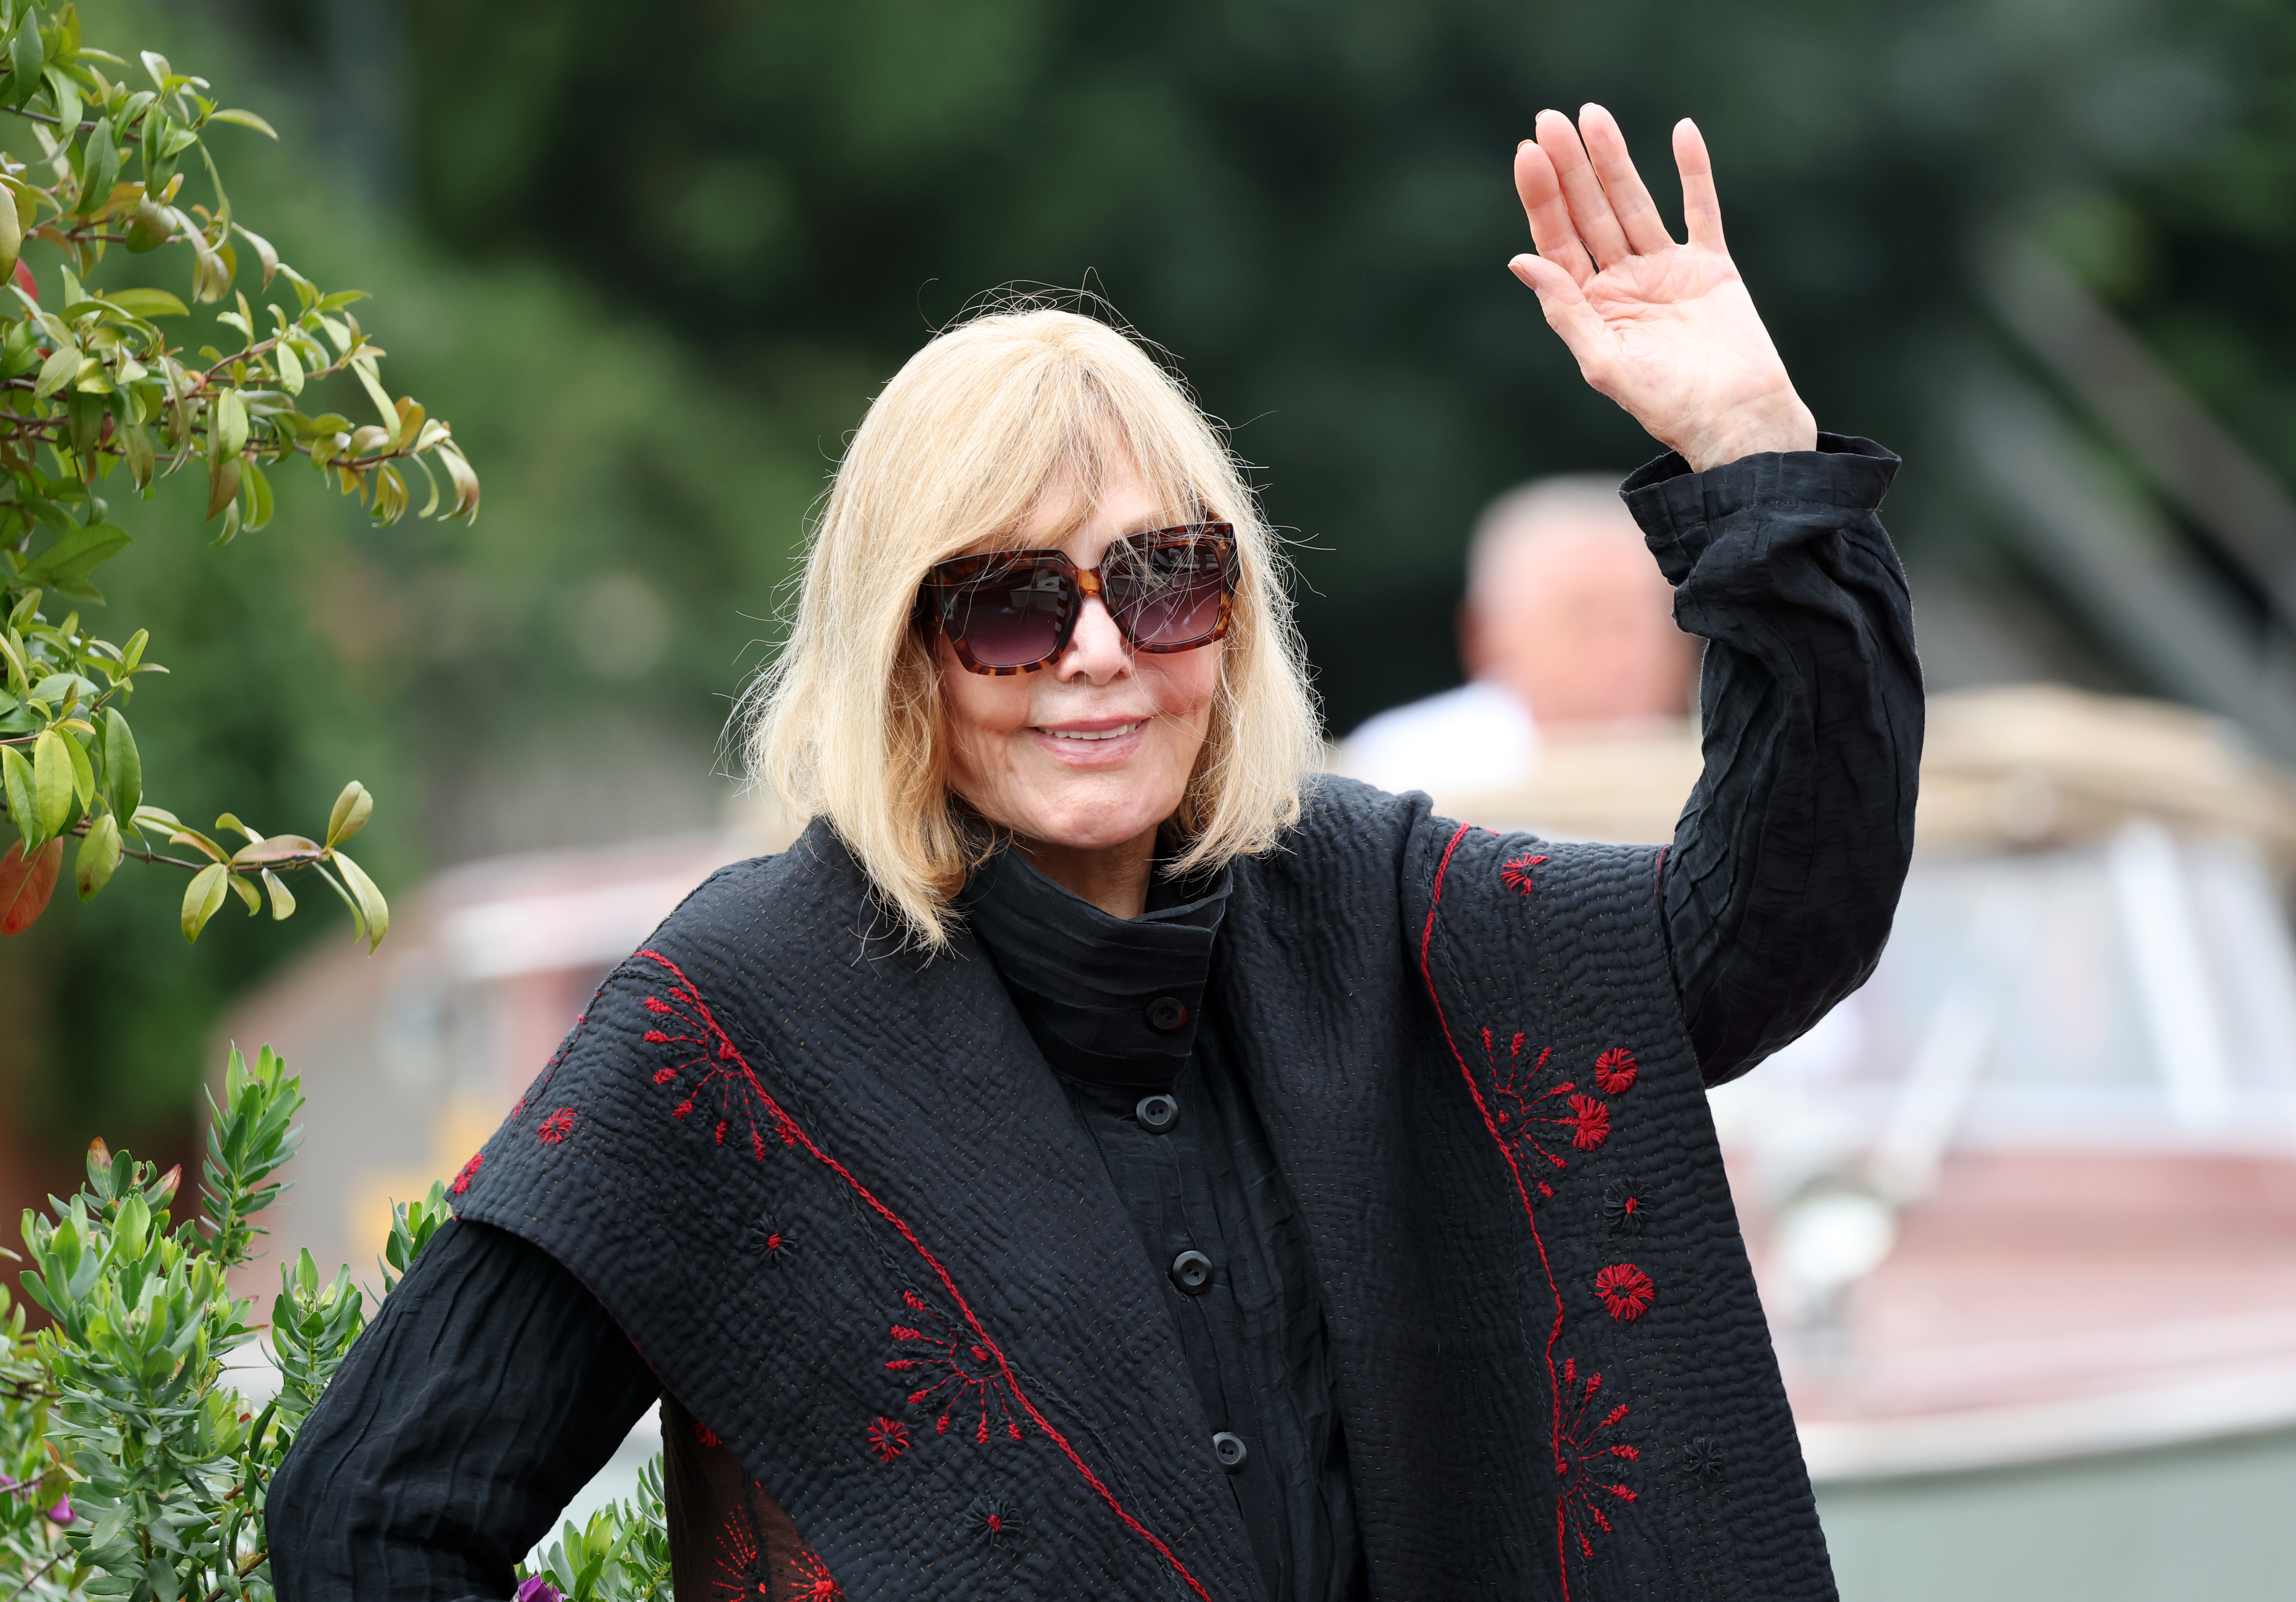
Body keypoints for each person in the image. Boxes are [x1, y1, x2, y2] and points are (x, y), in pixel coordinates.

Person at [268, 105, 1920, 1602]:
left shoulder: (1378, 905)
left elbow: (1767, 924)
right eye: (1006, 600)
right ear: (900, 648)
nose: (1097, 653)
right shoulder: (741, 1016)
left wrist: (1754, 455)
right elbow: (371, 1521)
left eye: (1161, 578)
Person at [1337, 475, 1696, 798]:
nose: (1621, 652)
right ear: (1488, 634)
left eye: (1638, 621)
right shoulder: (1403, 770)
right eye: (1584, 618)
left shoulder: (1722, 769)